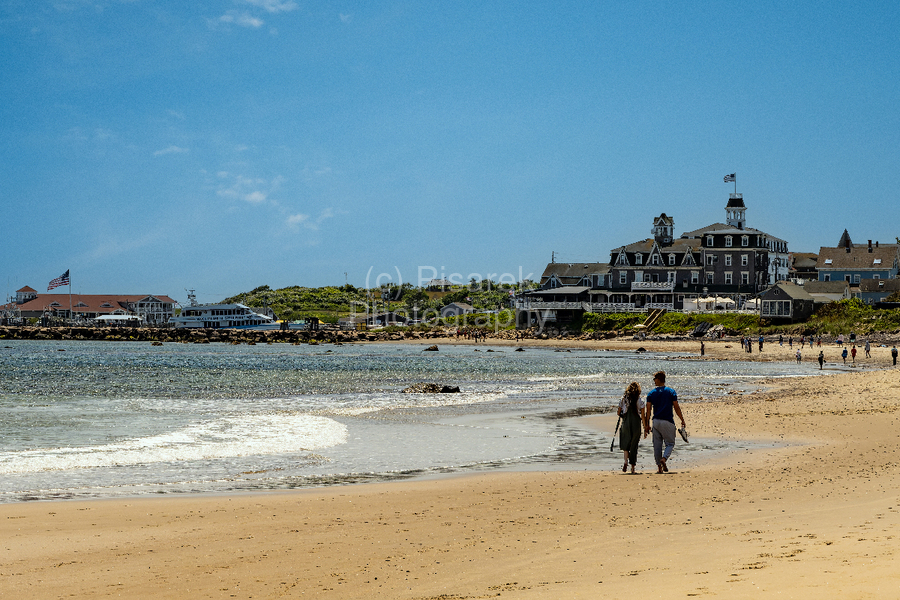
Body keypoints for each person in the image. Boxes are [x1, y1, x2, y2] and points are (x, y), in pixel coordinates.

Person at [643, 371, 686, 474]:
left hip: (656, 421)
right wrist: (682, 419)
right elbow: (676, 407)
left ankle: (659, 468)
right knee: (670, 443)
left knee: (657, 445)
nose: (653, 381)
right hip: (667, 421)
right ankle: (664, 459)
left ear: (659, 379)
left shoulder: (651, 393)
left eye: (654, 379)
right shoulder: (671, 392)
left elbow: (648, 410)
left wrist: (647, 424)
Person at [617, 382, 645, 474]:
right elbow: (643, 415)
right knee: (634, 445)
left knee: (626, 443)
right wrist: (645, 427)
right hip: (636, 423)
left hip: (626, 423)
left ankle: (625, 462)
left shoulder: (623, 399)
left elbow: (618, 412)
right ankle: (632, 467)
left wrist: (623, 416)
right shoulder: (639, 400)